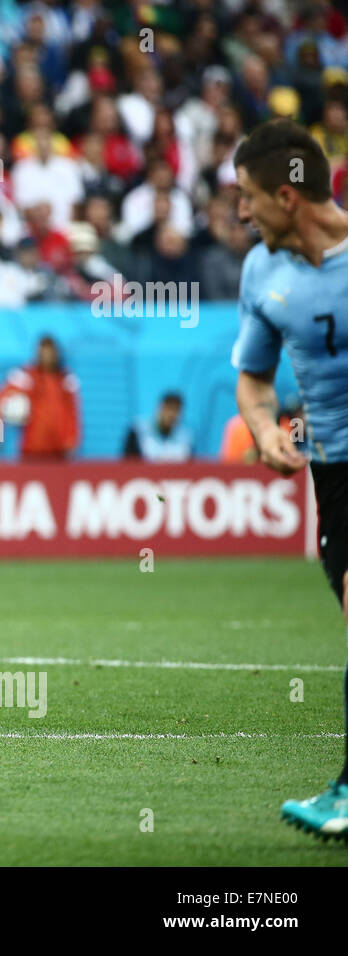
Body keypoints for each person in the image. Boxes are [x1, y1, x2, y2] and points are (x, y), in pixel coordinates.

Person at [232, 118, 348, 839]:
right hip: (334, 474)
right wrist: (265, 427)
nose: (241, 213)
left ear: (287, 195)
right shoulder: (261, 272)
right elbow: (253, 378)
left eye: (248, 197)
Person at [0, 335, 81, 460]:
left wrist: (72, 439)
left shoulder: (66, 380)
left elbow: (72, 412)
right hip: (31, 452)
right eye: (44, 352)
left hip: (60, 453)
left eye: (50, 352)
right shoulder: (26, 377)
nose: (47, 356)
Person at [123, 392, 193, 461]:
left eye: (176, 410)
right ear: (159, 408)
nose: (172, 414)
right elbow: (128, 463)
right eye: (169, 408)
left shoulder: (186, 436)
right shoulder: (138, 430)